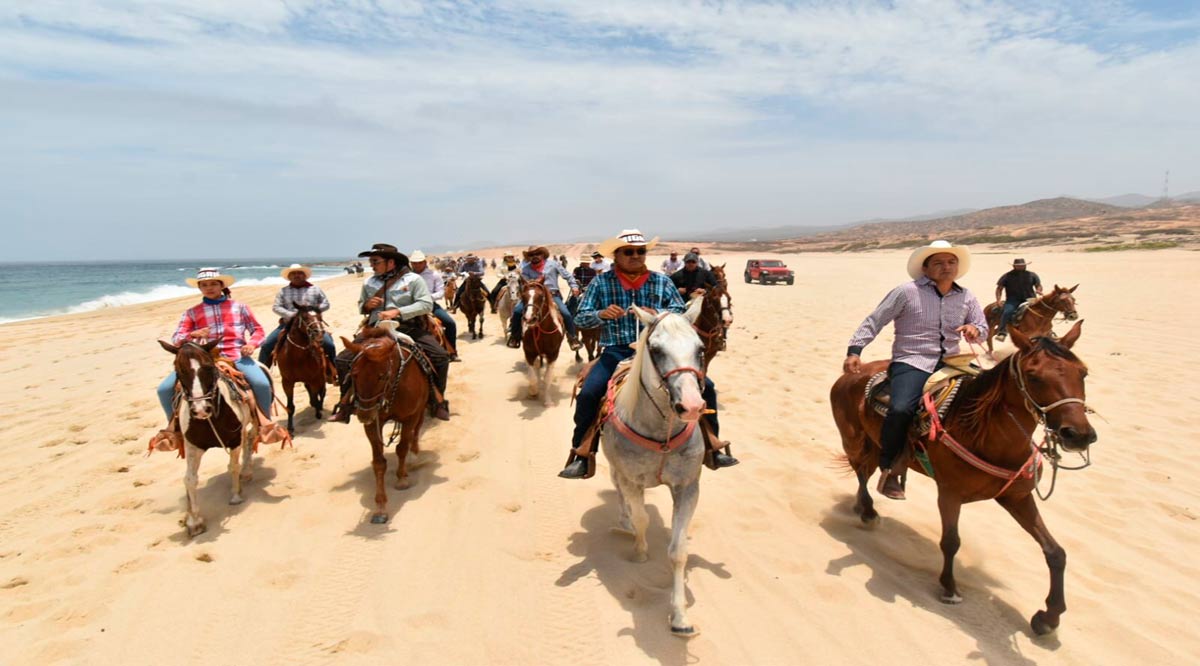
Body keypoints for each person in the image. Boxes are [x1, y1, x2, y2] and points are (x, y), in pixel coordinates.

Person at [559, 229, 739, 479]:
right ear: (617, 255)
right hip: (617, 352)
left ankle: (712, 445)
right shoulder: (601, 283)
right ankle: (582, 453)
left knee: (706, 386)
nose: (635, 256)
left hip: (659, 352)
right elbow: (580, 317)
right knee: (589, 393)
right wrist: (600, 314)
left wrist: (657, 313)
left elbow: (678, 311)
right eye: (629, 252)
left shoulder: (661, 281)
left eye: (640, 251)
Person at [843, 240, 987, 500]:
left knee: (994, 394)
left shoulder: (967, 296)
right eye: (939, 263)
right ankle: (889, 468)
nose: (946, 267)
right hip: (913, 360)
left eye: (951, 262)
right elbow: (876, 320)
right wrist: (855, 350)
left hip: (954, 362)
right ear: (925, 267)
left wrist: (975, 330)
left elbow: (981, 327)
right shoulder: (906, 292)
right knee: (901, 409)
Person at [152, 268, 276, 449]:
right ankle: (174, 429)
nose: (209, 288)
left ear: (221, 285)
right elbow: (177, 338)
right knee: (164, 389)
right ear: (200, 288)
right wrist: (192, 334)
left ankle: (264, 423)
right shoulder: (192, 313)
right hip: (203, 360)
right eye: (204, 285)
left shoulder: (240, 307)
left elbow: (257, 330)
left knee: (261, 383)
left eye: (213, 284)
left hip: (236, 356)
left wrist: (252, 344)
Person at [332, 244, 450, 422]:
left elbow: (426, 304)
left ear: (391, 262)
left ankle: (437, 401)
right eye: (371, 261)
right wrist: (367, 305)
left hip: (408, 326)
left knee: (440, 357)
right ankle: (346, 404)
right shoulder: (369, 282)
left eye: (375, 261)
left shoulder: (413, 280)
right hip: (376, 329)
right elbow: (360, 305)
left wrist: (399, 311)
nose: (372, 265)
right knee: (342, 360)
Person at [258, 263, 335, 368]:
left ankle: (335, 371)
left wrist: (312, 313)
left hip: (311, 325)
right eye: (293, 273)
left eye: (299, 273)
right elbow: (276, 307)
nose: (296, 275)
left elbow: (326, 304)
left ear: (304, 275)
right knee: (266, 345)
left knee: (329, 345)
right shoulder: (283, 291)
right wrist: (292, 315)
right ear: (289, 277)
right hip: (288, 325)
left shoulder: (315, 289)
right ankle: (263, 371)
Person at [507, 246, 583, 351]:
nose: (534, 256)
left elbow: (568, 276)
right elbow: (524, 285)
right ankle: (515, 337)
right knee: (517, 311)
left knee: (566, 313)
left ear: (542, 254)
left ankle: (572, 338)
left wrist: (574, 286)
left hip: (552, 295)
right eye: (531, 255)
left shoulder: (553, 265)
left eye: (537, 254)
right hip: (533, 296)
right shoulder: (526, 269)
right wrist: (532, 283)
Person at [411, 250, 459, 361]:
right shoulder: (407, 275)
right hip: (410, 306)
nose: (417, 265)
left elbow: (440, 293)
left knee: (450, 323)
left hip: (429, 304)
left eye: (419, 262)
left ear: (424, 262)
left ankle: (452, 352)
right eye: (414, 263)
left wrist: (428, 297)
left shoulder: (434, 275)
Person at [994, 258, 1043, 342]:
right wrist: (998, 300)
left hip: (1030, 298)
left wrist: (1039, 290)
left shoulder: (1032, 275)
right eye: (1019, 266)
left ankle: (1049, 331)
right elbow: (999, 288)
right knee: (1007, 312)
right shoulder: (1007, 276)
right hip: (1013, 299)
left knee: (1042, 311)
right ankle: (1002, 332)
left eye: (1023, 265)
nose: (1021, 267)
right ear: (1014, 266)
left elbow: (1038, 285)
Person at [567, 252, 598, 317]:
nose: (586, 264)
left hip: (589, 290)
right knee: (571, 303)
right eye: (584, 262)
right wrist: (576, 283)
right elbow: (572, 279)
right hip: (578, 290)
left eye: (587, 263)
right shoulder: (577, 270)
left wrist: (587, 288)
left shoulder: (592, 271)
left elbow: (595, 282)